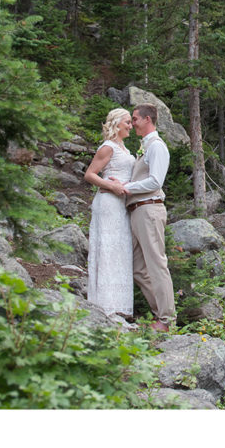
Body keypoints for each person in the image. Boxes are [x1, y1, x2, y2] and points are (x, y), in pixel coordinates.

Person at [103, 103, 175, 333]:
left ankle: (166, 319)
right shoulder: (145, 146)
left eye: (134, 119)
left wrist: (126, 187)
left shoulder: (157, 147)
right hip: (137, 210)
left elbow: (156, 181)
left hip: (150, 209)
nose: (132, 123)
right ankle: (159, 313)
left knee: (156, 264)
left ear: (147, 119)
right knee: (138, 267)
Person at [83, 108, 136, 327]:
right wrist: (112, 186)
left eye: (131, 122)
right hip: (108, 203)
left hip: (121, 204)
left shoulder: (124, 148)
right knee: (107, 249)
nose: (130, 126)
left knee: (120, 251)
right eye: (127, 122)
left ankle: (120, 307)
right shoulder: (108, 147)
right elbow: (89, 174)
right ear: (116, 123)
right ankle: (105, 307)